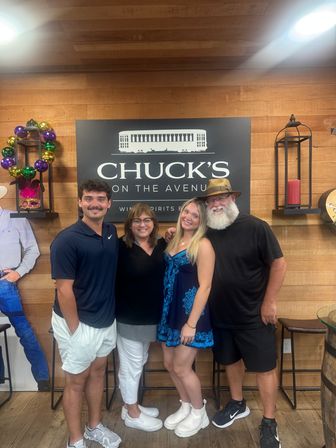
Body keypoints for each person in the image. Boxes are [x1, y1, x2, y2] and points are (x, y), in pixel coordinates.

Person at [201, 178, 286, 448]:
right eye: (211, 200)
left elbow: (279, 264)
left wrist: (269, 302)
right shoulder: (206, 231)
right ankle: (238, 403)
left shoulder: (256, 227)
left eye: (221, 198)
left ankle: (269, 422)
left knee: (264, 368)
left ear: (232, 199)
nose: (216, 203)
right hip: (220, 315)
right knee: (230, 361)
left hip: (254, 315)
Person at [50, 179, 121, 448]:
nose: (95, 203)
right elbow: (64, 291)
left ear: (109, 203)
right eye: (89, 198)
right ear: (80, 202)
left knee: (98, 372)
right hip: (78, 323)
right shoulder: (66, 240)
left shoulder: (111, 232)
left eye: (100, 199)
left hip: (106, 320)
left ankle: (94, 427)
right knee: (76, 381)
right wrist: (75, 330)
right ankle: (75, 440)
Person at [157, 198, 215, 438]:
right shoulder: (175, 240)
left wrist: (191, 323)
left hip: (190, 314)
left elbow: (206, 286)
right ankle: (186, 405)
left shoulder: (203, 245)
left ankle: (199, 412)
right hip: (169, 311)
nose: (188, 217)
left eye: (195, 215)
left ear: (202, 221)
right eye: (186, 212)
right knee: (169, 364)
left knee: (182, 366)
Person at [115, 203, 166, 432]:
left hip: (151, 318)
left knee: (140, 360)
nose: (142, 224)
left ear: (154, 223)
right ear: (130, 225)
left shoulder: (161, 245)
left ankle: (130, 405)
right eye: (137, 221)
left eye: (147, 220)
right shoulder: (119, 248)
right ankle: (132, 414)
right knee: (131, 366)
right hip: (128, 317)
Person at [0, 184, 49, 391]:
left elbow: (32, 250)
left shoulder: (15, 218)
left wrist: (17, 273)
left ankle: (43, 379)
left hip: (5, 283)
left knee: (24, 331)